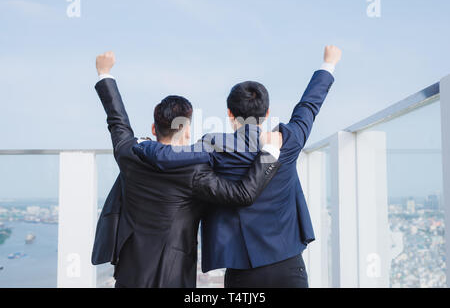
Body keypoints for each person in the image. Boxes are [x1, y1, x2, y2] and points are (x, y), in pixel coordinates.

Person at [133, 45, 342, 287]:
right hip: (289, 264)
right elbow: (309, 105)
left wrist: (141, 144)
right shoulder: (289, 139)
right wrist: (328, 64)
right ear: (268, 112)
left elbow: (167, 156)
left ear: (230, 114)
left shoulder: (214, 146)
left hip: (242, 270)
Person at [92, 51, 283, 288]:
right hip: (174, 274)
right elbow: (242, 194)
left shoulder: (129, 153)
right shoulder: (196, 170)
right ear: (187, 131)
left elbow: (117, 119)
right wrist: (270, 154)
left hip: (130, 271)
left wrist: (104, 73)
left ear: (153, 127)